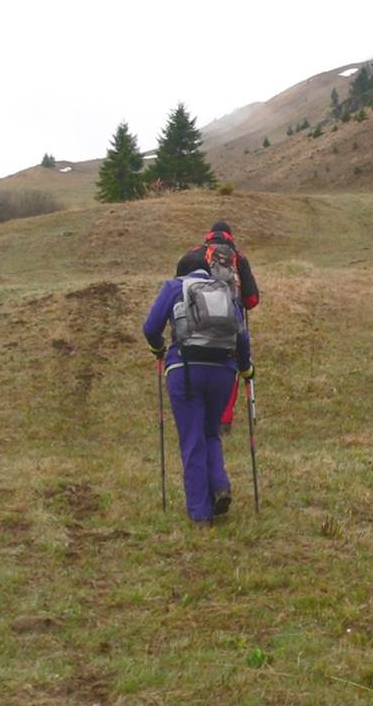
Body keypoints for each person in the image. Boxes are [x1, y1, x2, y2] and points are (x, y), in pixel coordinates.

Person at [144, 254, 254, 526]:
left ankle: (201, 512)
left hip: (186, 370)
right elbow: (241, 337)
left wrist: (158, 348)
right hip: (223, 372)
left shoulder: (175, 287)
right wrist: (245, 369)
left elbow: (151, 328)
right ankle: (219, 485)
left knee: (192, 438)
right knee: (210, 432)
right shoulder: (224, 291)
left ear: (181, 272)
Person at [176, 221, 261, 434]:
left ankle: (197, 415)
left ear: (209, 235)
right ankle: (223, 420)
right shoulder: (238, 258)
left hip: (195, 323)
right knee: (228, 365)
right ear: (230, 237)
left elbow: (178, 287)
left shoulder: (193, 254)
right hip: (229, 324)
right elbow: (251, 299)